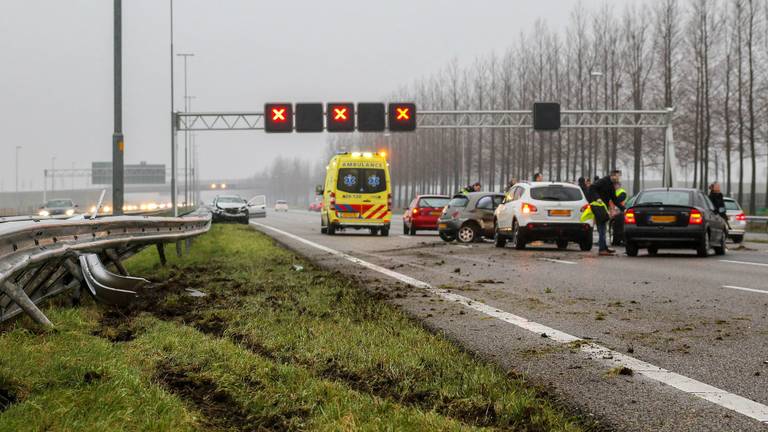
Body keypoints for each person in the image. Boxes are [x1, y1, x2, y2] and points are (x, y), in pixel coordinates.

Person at [586, 170, 622, 256]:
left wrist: (624, 208)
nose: (618, 178)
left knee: (603, 228)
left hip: (604, 208)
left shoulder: (611, 185)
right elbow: (592, 187)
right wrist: (597, 198)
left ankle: (604, 247)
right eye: (617, 176)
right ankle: (602, 249)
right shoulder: (603, 181)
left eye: (619, 176)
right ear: (612, 176)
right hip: (598, 207)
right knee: (601, 228)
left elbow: (614, 199)